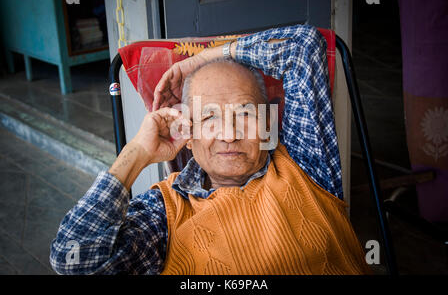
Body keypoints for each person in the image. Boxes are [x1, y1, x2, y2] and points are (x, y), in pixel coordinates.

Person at [50, 25, 371, 275]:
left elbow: (303, 47)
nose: (229, 135)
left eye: (245, 113)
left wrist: (201, 59)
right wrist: (138, 151)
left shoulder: (305, 163)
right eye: (209, 116)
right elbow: (75, 260)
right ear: (186, 133)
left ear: (269, 124)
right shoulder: (164, 210)